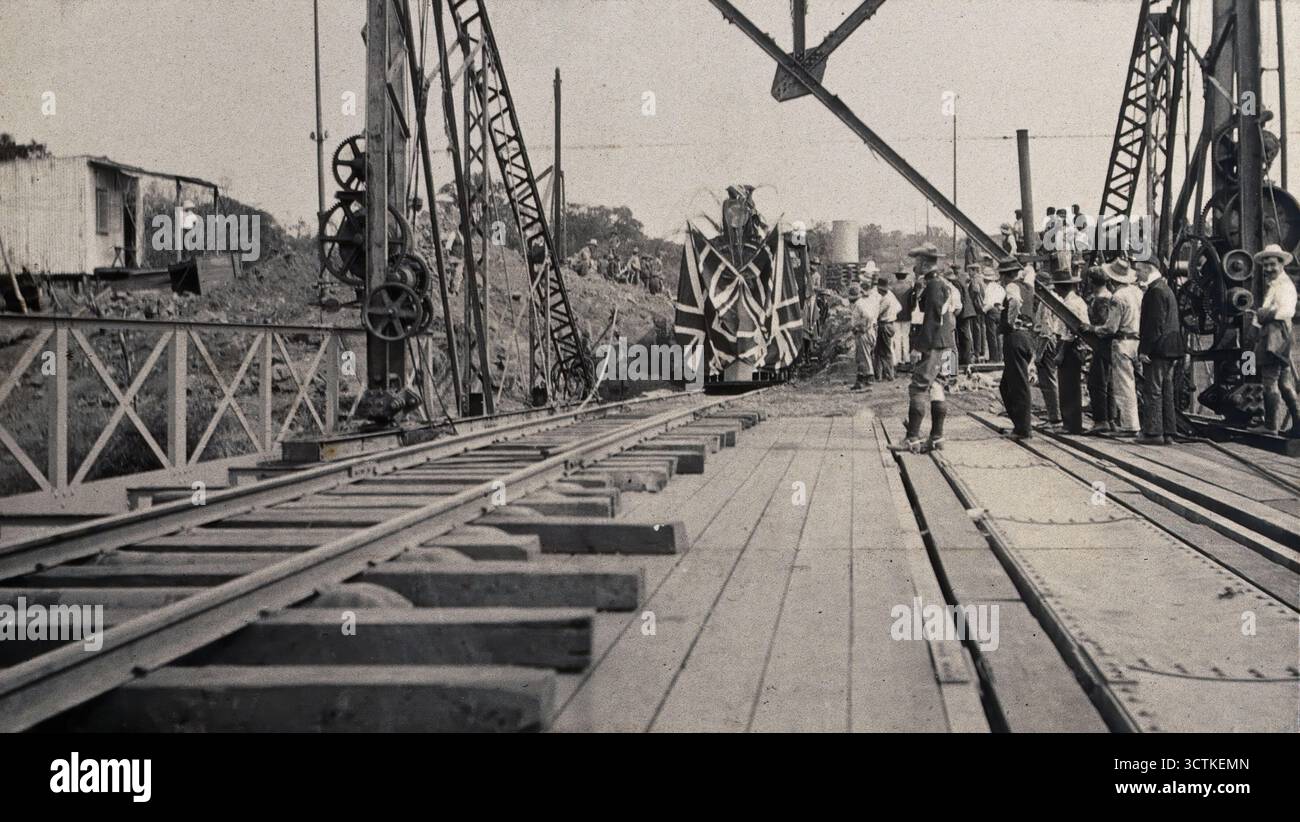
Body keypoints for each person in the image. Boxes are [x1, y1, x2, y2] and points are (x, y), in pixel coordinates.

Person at [891, 242, 955, 452]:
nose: (914, 267)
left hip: (932, 345)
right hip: (943, 344)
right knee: (937, 387)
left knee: (918, 387)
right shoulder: (938, 284)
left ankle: (912, 438)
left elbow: (932, 319)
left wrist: (920, 347)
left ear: (925, 264)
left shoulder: (934, 286)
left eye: (917, 263)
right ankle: (936, 437)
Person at [1250, 244, 1299, 436]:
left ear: (1281, 264)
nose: (1269, 268)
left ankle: (1270, 426)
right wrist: (1257, 322)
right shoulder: (1274, 285)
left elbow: (1287, 311)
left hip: (1276, 338)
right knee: (1284, 383)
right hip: (1275, 336)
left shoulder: (1285, 286)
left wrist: (1263, 315)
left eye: (1272, 264)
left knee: (1269, 380)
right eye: (1266, 265)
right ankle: (1298, 424)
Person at [1135, 259, 1183, 444]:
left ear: (1148, 269)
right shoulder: (1166, 289)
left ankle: (1153, 433)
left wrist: (1144, 350)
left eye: (1139, 270)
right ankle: (1169, 433)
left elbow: (1154, 325)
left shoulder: (1155, 292)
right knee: (1166, 389)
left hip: (1158, 349)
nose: (1137, 274)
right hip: (1171, 348)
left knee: (1153, 390)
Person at [1097, 258, 1143, 436]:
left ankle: (1129, 426)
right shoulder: (1138, 292)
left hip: (1122, 342)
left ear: (1112, 279)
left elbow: (1111, 327)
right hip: (1138, 341)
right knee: (1141, 384)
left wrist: (1094, 329)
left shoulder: (1118, 297)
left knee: (1125, 385)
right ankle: (1147, 422)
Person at [1042, 268, 1091, 433]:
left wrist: (1061, 353)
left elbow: (1070, 333)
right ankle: (1070, 423)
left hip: (1070, 347)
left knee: (1068, 386)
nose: (1055, 290)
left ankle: (1071, 424)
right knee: (1068, 385)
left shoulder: (1071, 304)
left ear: (1062, 287)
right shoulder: (1076, 301)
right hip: (1071, 345)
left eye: (1057, 287)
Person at [998, 260, 1036, 439]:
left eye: (1002, 275)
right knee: (1006, 385)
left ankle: (1023, 429)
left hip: (1015, 337)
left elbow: (1014, 302)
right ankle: (1019, 424)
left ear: (1006, 275)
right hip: (1027, 336)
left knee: (1018, 385)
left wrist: (1011, 322)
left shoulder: (1012, 286)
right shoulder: (1028, 285)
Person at [1085, 267, 1115, 433]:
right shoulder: (1108, 297)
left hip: (1103, 344)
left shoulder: (1101, 300)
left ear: (1091, 282)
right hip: (1109, 344)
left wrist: (1090, 328)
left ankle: (1101, 420)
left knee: (1096, 382)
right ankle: (1110, 419)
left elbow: (1103, 322)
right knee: (1108, 382)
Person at [873, 275, 903, 381]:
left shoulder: (886, 299)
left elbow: (876, 313)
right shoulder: (890, 295)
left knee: (885, 351)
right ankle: (880, 375)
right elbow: (899, 307)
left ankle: (889, 374)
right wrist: (892, 314)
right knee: (879, 350)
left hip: (884, 325)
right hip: (890, 324)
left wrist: (887, 315)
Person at [848, 283, 877, 390]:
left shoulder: (860, 304)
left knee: (865, 357)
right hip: (862, 332)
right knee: (860, 357)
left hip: (864, 333)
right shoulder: (860, 303)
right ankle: (860, 380)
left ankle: (869, 380)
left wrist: (863, 328)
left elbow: (868, 317)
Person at [888, 262, 915, 369]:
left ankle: (898, 359)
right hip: (907, 315)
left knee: (897, 338)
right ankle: (906, 358)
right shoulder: (909, 287)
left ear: (896, 276)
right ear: (905, 276)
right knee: (906, 337)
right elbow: (912, 303)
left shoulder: (892, 288)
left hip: (895, 316)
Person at [981, 264, 1005, 363]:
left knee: (991, 336)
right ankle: (1000, 356)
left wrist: (983, 310)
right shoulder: (1000, 287)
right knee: (999, 336)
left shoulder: (988, 288)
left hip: (991, 312)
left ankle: (994, 358)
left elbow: (989, 302)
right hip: (1000, 311)